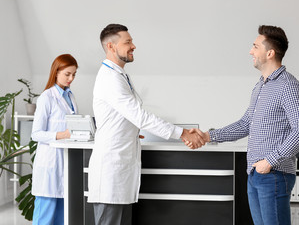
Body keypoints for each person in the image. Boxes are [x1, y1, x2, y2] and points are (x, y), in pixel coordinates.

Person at [187, 25, 299, 225]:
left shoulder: (289, 86)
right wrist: (208, 136)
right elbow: (245, 124)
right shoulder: (261, 85)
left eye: (255, 46)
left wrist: (269, 161)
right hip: (256, 173)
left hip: (274, 174)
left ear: (270, 53)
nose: (250, 51)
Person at [87, 23, 205, 225]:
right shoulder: (110, 78)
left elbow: (126, 117)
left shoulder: (120, 75)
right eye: (128, 42)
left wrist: (130, 132)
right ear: (111, 47)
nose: (134, 46)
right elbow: (140, 116)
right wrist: (183, 133)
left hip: (121, 170)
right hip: (111, 171)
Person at [31, 54, 79, 225]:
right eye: (67, 74)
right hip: (49, 163)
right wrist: (61, 135)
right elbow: (35, 133)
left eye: (74, 74)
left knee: (61, 216)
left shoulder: (70, 96)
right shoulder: (46, 97)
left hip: (64, 163)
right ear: (56, 71)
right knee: (45, 216)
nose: (71, 78)